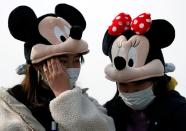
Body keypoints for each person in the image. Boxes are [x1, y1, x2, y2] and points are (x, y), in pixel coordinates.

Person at [0, 3, 115, 131]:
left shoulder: (88, 104)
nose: (71, 67)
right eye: (63, 61)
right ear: (38, 65)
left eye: (76, 60)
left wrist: (64, 95)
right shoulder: (10, 104)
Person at [102, 12, 186, 131]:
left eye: (138, 84)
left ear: (155, 81)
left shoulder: (179, 112)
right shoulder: (108, 113)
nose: (131, 91)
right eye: (124, 85)